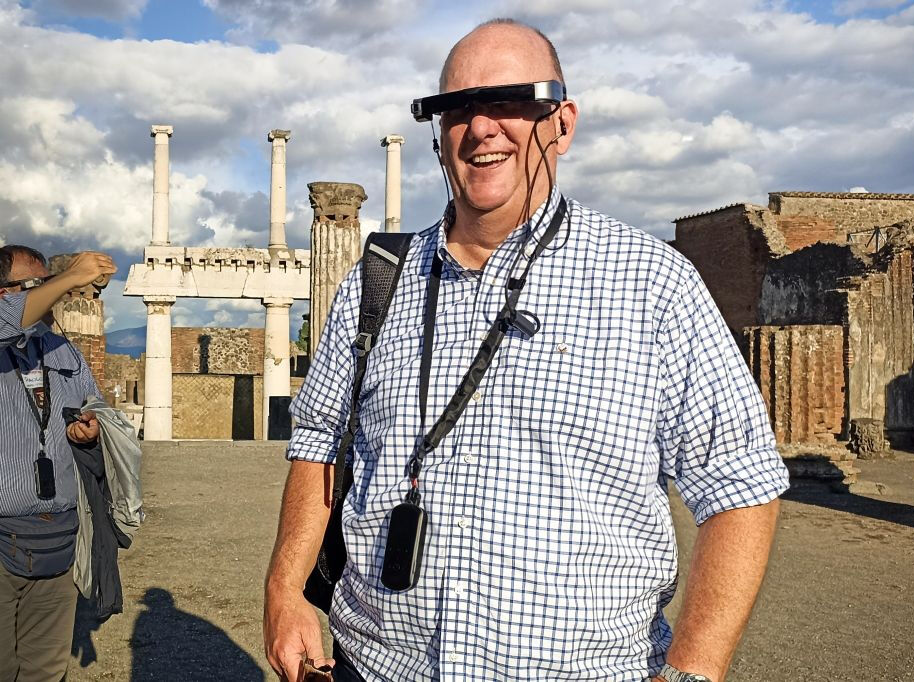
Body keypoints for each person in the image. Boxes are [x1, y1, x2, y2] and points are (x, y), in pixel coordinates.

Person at [264, 19, 789, 682]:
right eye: (457, 108)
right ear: (439, 133)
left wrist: (695, 669)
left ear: (562, 124)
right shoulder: (377, 282)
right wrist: (285, 591)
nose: (481, 126)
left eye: (511, 100)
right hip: (375, 668)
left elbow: (740, 485)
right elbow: (318, 442)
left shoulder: (654, 285)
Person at [0, 245, 116, 681]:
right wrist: (68, 278)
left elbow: (94, 402)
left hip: (58, 537)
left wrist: (91, 424)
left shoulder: (63, 351)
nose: (48, 294)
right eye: (35, 286)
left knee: (45, 672)